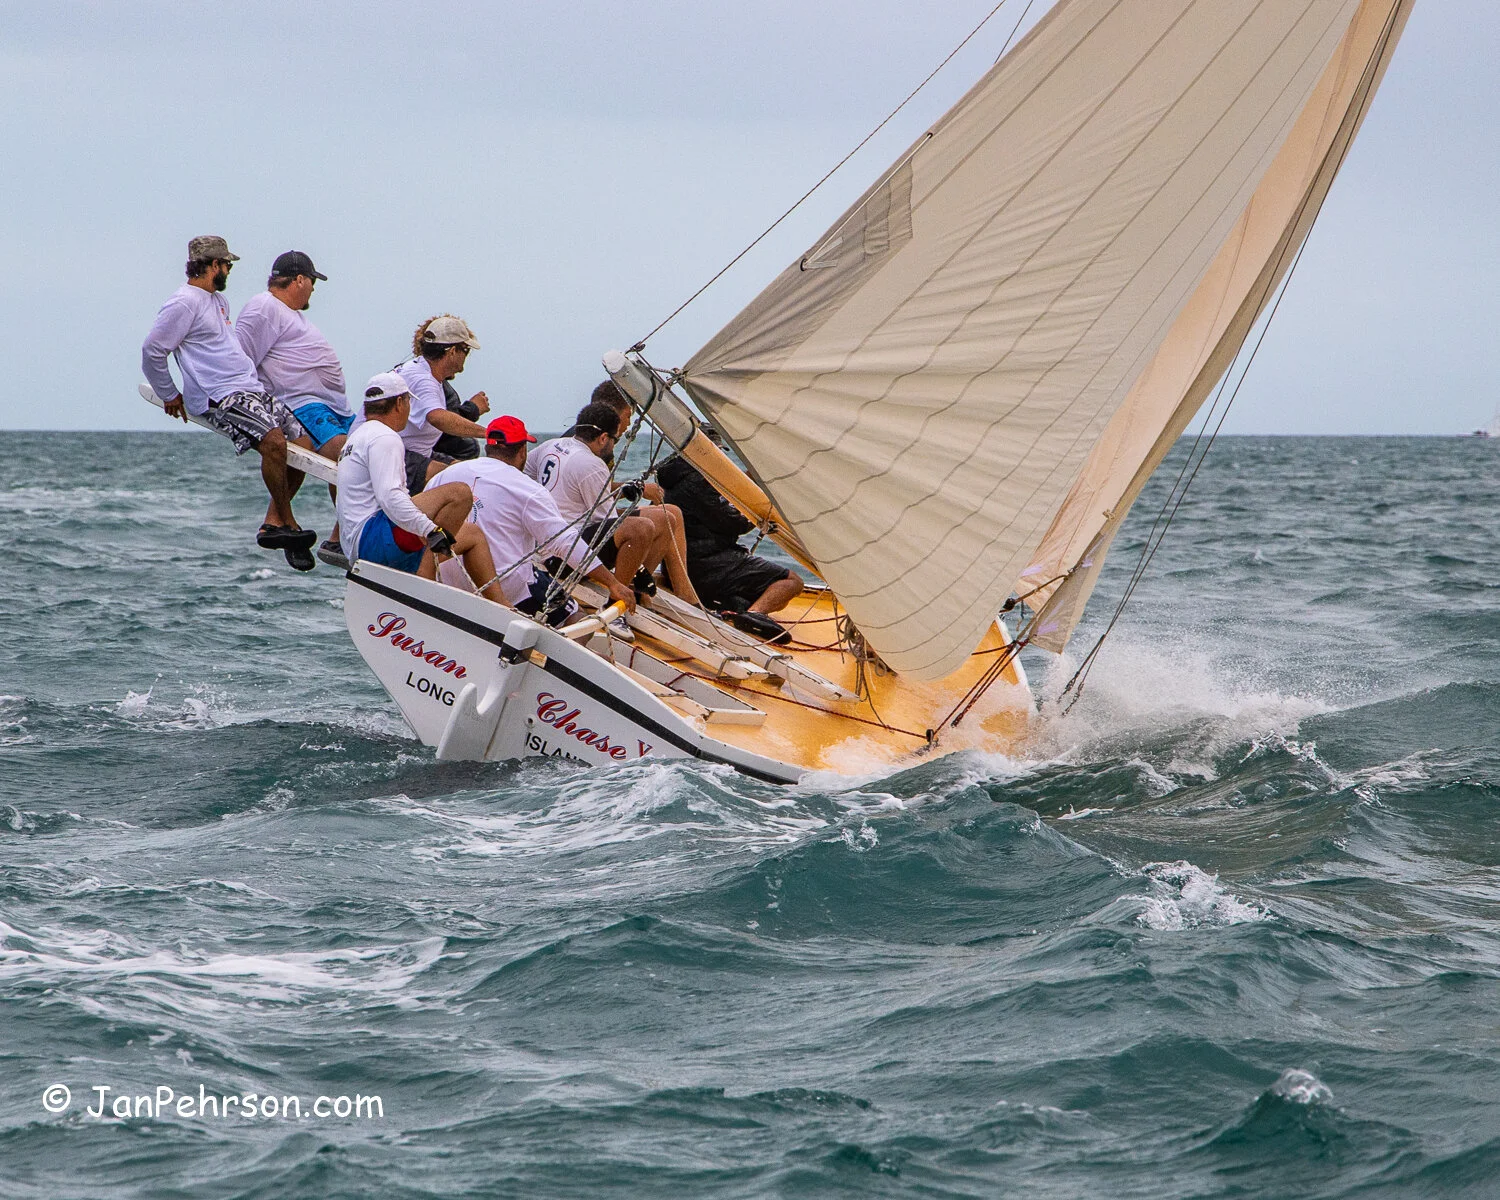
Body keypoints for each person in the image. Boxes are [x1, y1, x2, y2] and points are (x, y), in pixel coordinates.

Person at [141, 235, 319, 571]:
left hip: (248, 388)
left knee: (304, 444)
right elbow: (152, 350)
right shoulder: (183, 303)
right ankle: (288, 524)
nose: (229, 270)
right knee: (274, 443)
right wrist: (169, 394)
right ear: (212, 265)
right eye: (226, 264)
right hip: (219, 394)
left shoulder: (218, 301)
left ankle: (273, 521)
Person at [436, 416, 636, 624]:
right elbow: (563, 541)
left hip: (446, 581)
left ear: (488, 447)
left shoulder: (446, 474)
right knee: (576, 617)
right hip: (505, 587)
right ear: (522, 451)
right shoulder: (529, 489)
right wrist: (613, 583)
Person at [336, 373, 504, 601]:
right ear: (399, 403)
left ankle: (501, 605)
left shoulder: (355, 438)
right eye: (408, 402)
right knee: (459, 493)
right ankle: (424, 578)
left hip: (355, 547)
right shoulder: (385, 437)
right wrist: (430, 530)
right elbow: (390, 496)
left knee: (472, 534)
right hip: (373, 542)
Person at [234, 250, 352, 565]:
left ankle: (276, 523)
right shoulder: (264, 307)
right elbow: (241, 361)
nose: (313, 289)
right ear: (299, 279)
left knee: (372, 451)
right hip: (302, 404)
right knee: (345, 454)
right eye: (312, 282)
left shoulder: (289, 314)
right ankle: (343, 541)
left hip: (331, 406)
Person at [526, 401, 700, 605]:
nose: (614, 446)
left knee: (666, 517)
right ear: (603, 438)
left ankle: (637, 591)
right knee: (641, 528)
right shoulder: (592, 464)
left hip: (553, 537)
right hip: (562, 555)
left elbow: (525, 476)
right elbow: (610, 527)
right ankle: (617, 600)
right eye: (615, 440)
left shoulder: (550, 446)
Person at [657, 447, 803, 642]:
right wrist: (760, 512)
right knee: (791, 582)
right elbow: (734, 523)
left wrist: (747, 480)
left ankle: (736, 607)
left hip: (678, 571)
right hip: (708, 567)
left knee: (747, 595)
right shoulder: (699, 482)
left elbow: (715, 501)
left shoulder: (674, 480)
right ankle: (754, 614)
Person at [387, 314, 490, 494]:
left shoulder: (421, 372)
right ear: (452, 352)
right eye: (465, 350)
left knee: (469, 472)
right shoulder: (423, 379)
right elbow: (437, 417)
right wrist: (488, 433)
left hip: (409, 451)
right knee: (460, 484)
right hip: (388, 453)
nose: (467, 356)